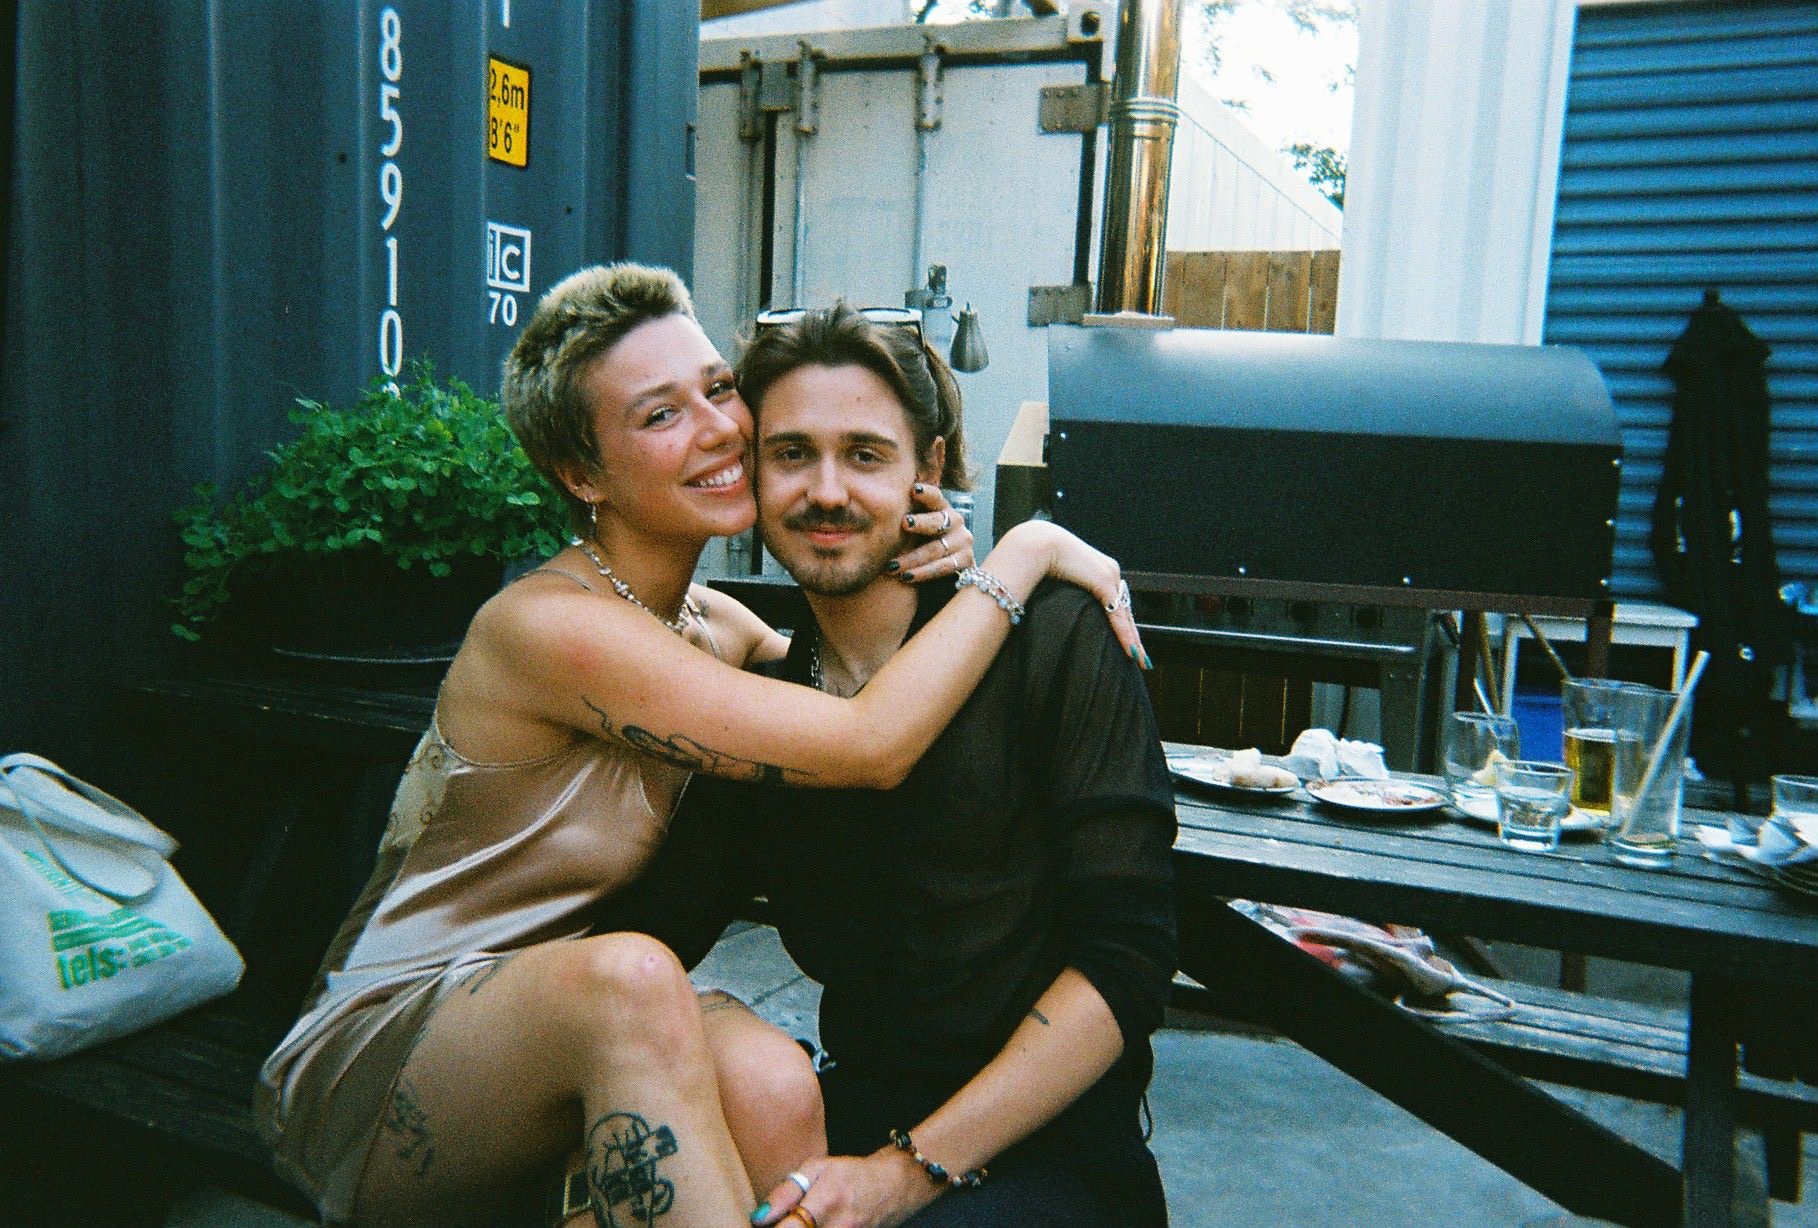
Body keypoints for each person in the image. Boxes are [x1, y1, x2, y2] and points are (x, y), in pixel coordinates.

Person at [254, 266, 1143, 1228]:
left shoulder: (714, 634)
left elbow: (843, 666)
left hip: (590, 1020)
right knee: (635, 982)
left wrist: (937, 559)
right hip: (416, 1042)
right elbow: (866, 738)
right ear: (581, 474)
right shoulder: (553, 628)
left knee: (771, 1083)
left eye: (718, 389)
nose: (720, 428)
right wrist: (1021, 554)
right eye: (660, 415)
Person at [698, 303, 1178, 1227]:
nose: (826, 491)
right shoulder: (768, 700)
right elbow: (659, 918)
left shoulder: (1054, 639)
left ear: (930, 468)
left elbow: (1126, 964)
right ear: (751, 472)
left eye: (865, 455)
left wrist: (903, 1175)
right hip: (851, 1122)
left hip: (1053, 1150)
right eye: (791, 453)